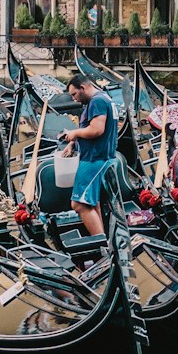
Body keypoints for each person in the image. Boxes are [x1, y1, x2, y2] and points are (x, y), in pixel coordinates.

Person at [60, 71, 118, 236]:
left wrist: (75, 133)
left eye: (74, 94)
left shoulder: (97, 101)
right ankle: (104, 243)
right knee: (92, 203)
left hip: (95, 160)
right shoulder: (103, 98)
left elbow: (97, 130)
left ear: (83, 87)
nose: (74, 99)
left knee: (79, 204)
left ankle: (101, 245)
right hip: (100, 158)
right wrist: (73, 142)